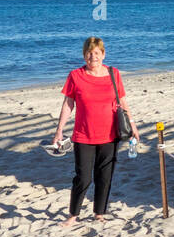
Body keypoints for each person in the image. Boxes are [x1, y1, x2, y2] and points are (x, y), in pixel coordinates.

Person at [51, 37, 139, 225]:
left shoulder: (114, 73)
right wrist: (59, 130)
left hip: (110, 135)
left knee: (104, 176)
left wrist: (132, 124)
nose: (93, 57)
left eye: (97, 53)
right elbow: (68, 104)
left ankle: (99, 212)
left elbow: (122, 101)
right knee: (83, 178)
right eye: (89, 53)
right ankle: (73, 215)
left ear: (103, 54)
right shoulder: (75, 75)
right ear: (84, 56)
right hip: (83, 135)